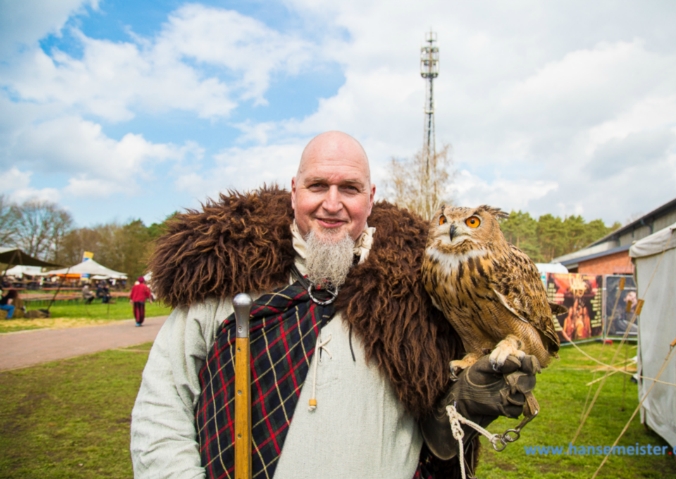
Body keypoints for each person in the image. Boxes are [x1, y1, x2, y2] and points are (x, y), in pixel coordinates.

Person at [130, 131, 539, 479]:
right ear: (294, 191)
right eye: (317, 185)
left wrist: (458, 407)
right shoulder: (223, 279)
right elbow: (161, 407)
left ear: (370, 197)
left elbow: (434, 435)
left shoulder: (419, 296)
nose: (332, 202)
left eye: (349, 188)